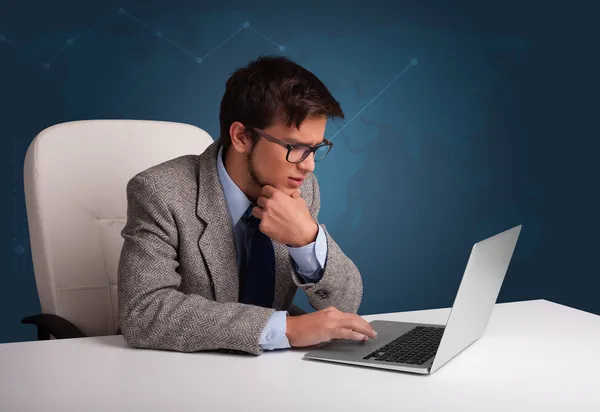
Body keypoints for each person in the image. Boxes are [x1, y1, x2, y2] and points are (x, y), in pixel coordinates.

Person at [117, 55, 377, 355]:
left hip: (272, 375)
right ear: (241, 137)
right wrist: (287, 329)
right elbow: (144, 312)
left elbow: (345, 304)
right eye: (295, 148)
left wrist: (307, 240)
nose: (309, 167)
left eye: (316, 148)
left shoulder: (302, 189)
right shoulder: (160, 191)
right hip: (182, 373)